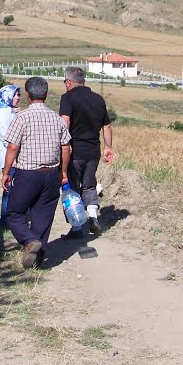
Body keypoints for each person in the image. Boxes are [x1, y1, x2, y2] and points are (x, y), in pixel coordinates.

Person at [1, 77, 71, 269]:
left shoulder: (21, 117)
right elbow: (66, 148)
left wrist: (7, 172)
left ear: (27, 95)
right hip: (50, 174)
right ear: (46, 95)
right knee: (43, 217)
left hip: (27, 174)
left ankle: (29, 241)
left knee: (14, 213)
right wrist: (63, 171)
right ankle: (37, 259)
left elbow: (13, 146)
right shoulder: (56, 119)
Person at [59, 66, 115, 238]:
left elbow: (65, 121)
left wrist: (64, 144)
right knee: (90, 184)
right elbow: (106, 126)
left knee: (72, 187)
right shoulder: (98, 99)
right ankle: (92, 216)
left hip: (74, 150)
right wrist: (108, 147)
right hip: (93, 150)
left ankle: (76, 229)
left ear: (69, 82)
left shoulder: (67, 98)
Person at [0, 84, 21, 223]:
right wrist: (13, 158)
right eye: (15, 95)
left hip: (11, 155)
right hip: (8, 156)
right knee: (8, 187)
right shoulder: (3, 113)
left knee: (13, 187)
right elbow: (6, 137)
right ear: (7, 95)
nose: (18, 98)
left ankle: (10, 217)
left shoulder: (9, 111)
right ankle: (6, 219)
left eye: (18, 95)